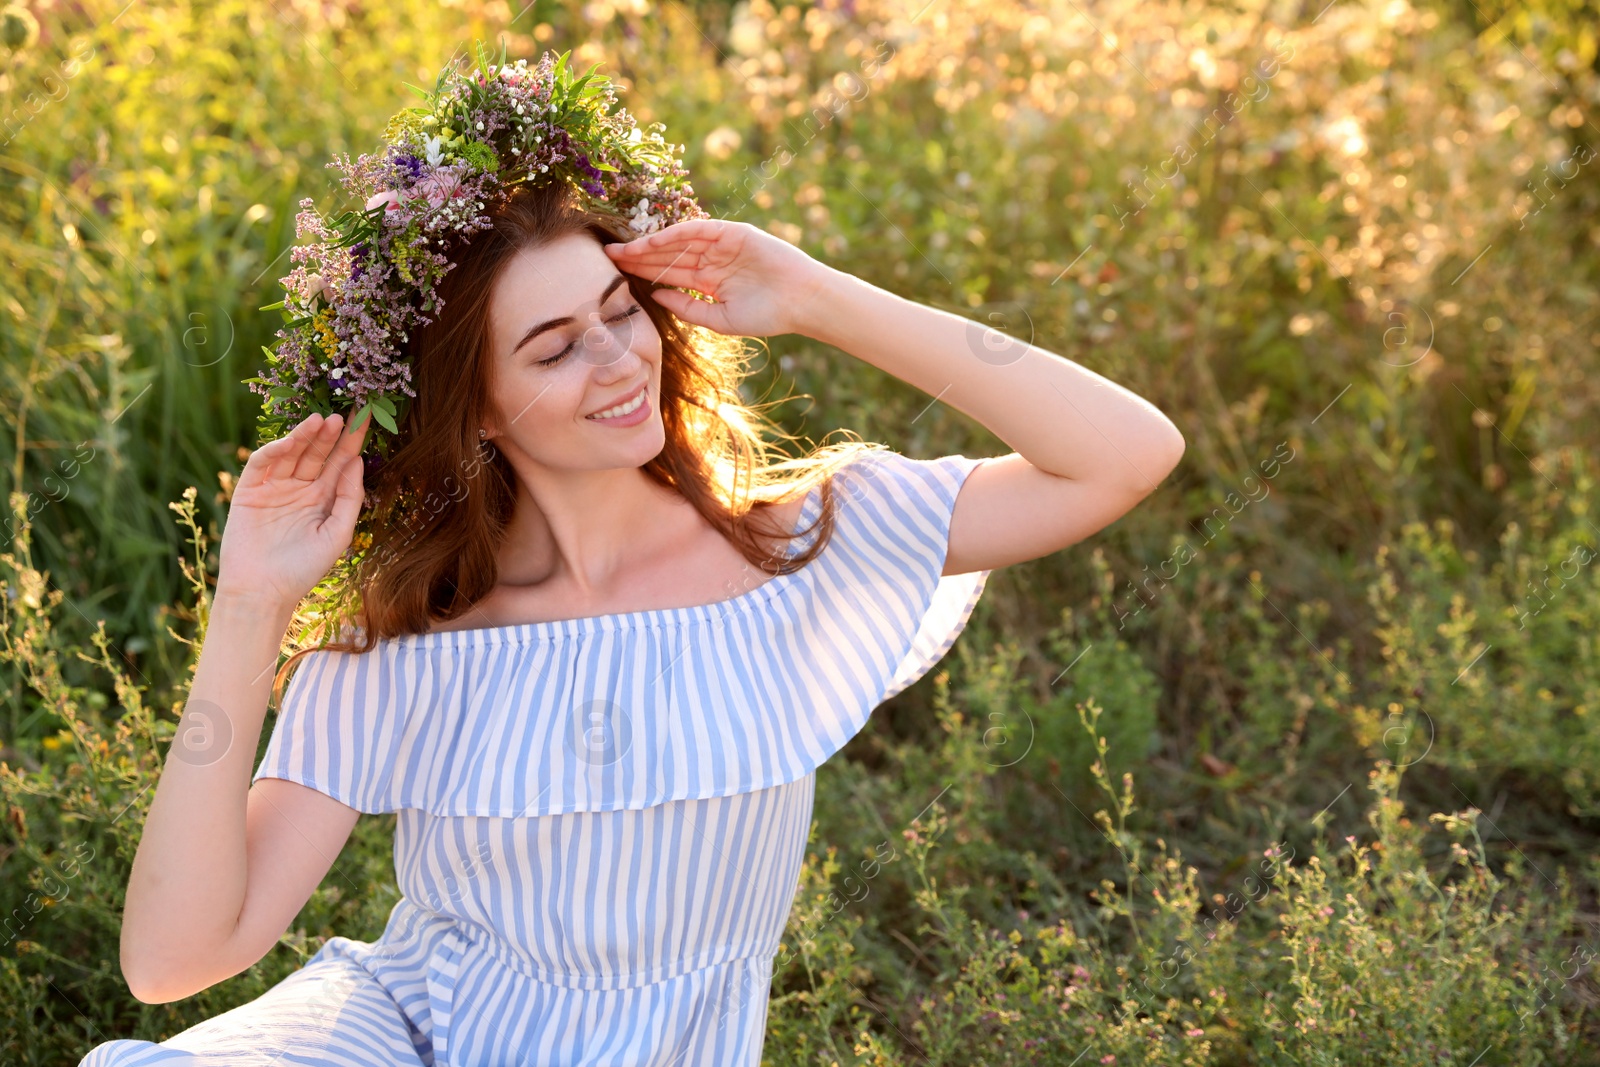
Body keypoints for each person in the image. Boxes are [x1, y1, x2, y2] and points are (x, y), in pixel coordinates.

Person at [79, 45, 1185, 1067]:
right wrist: (251, 600)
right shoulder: (414, 646)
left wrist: (813, 296)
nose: (618, 361)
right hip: (394, 1034)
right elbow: (173, 958)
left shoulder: (800, 545)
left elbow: (1125, 455)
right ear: (477, 414)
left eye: (622, 309)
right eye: (555, 347)